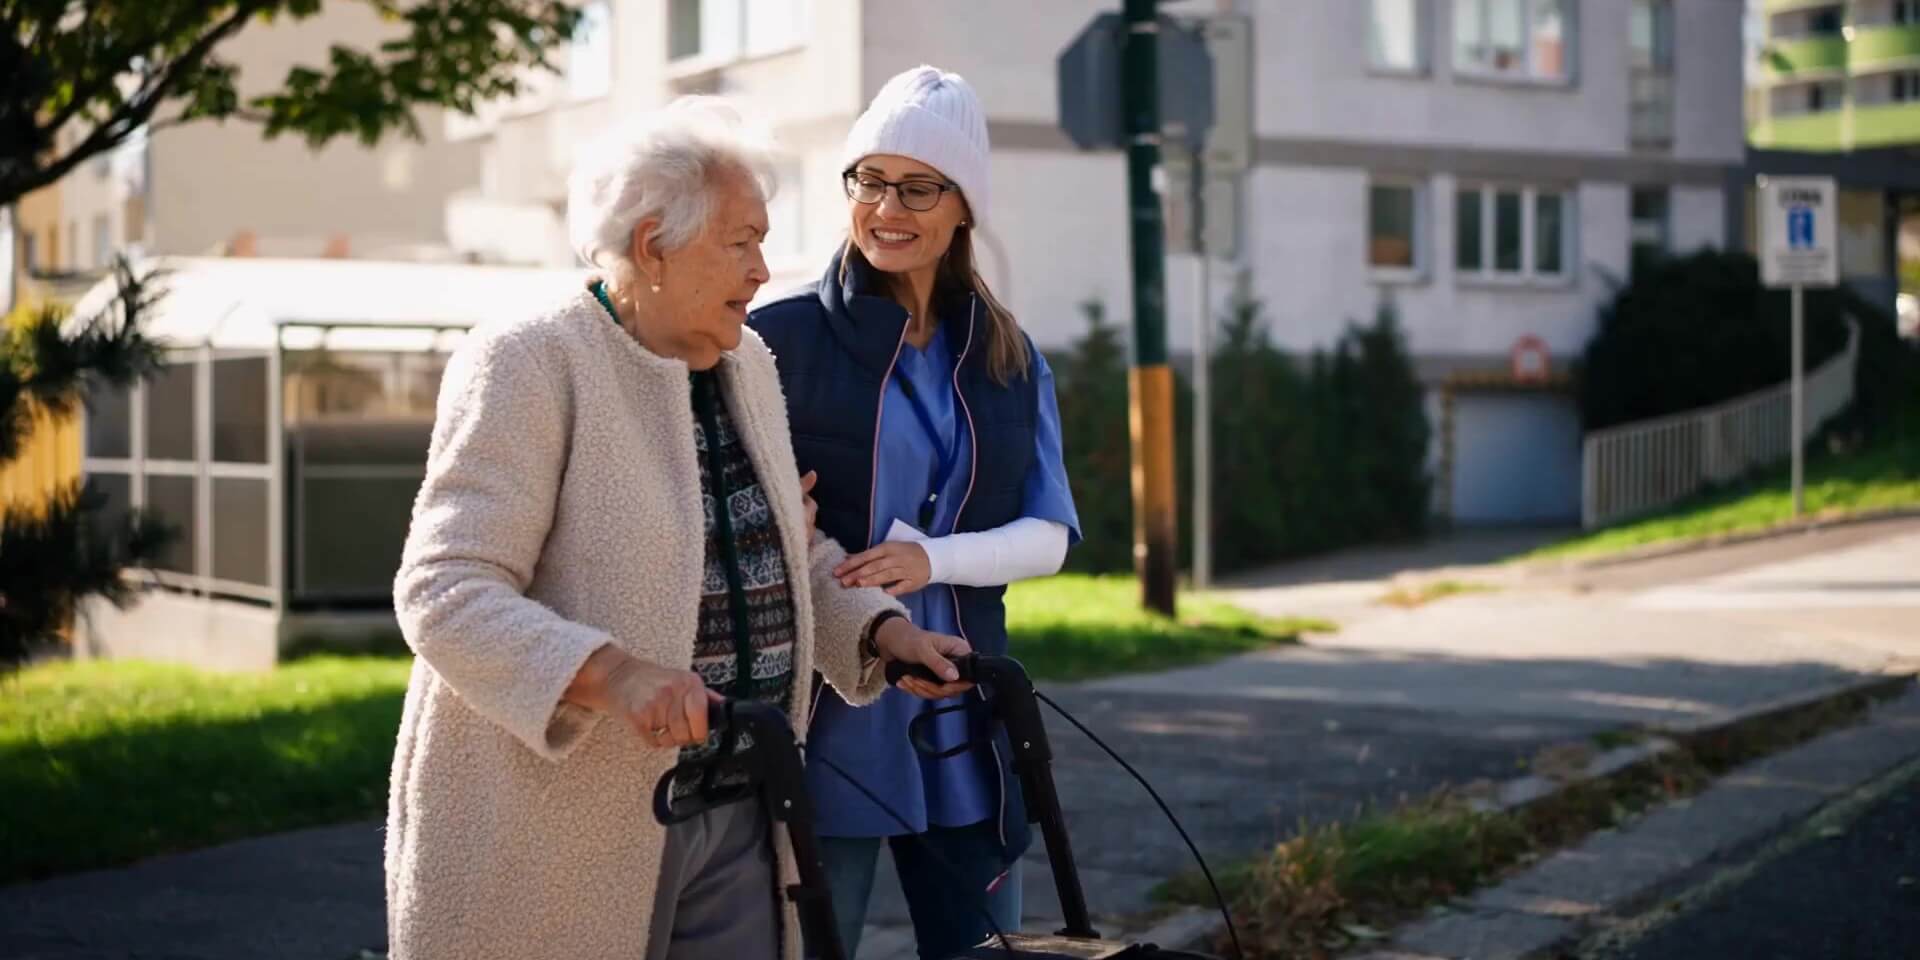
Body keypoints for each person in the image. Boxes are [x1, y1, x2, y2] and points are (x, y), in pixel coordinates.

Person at [385, 96, 972, 960]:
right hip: (563, 833)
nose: (764, 270)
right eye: (741, 243)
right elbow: (444, 591)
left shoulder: (744, 362)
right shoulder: (531, 361)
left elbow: (783, 543)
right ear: (654, 245)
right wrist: (609, 674)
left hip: (738, 801)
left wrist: (879, 632)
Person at [749, 66, 1081, 959]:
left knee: (982, 954)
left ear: (963, 206)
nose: (887, 208)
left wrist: (932, 561)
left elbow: (1047, 539)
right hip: (830, 711)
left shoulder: (1009, 354)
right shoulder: (775, 341)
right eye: (870, 180)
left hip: (965, 706)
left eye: (919, 187)